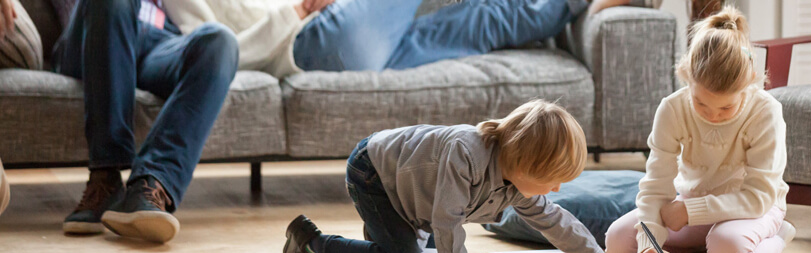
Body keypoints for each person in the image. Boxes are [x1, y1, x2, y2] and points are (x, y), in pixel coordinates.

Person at [283, 100, 654, 253]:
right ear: (524, 165)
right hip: (375, 173)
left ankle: (385, 239)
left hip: (413, 194)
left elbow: (560, 224)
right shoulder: (466, 152)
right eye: (551, 181)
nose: (556, 190)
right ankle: (313, 242)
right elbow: (447, 219)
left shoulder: (517, 183)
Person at [603, 7, 796, 253]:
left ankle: (775, 239)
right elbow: (656, 187)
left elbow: (758, 197)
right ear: (686, 76)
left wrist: (689, 211)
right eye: (701, 104)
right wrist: (649, 242)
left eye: (726, 108)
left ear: (750, 84)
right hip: (691, 204)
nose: (713, 116)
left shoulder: (766, 112)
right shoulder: (672, 108)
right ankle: (705, 241)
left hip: (753, 209)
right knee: (616, 244)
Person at [54, 0, 239, 243]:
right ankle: (105, 178)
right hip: (94, 31)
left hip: (157, 39)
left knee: (220, 41)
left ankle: (151, 183)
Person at [162, 0, 638, 78]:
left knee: (482, 20)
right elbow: (224, 52)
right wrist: (295, 9)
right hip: (313, 42)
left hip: (351, 48)